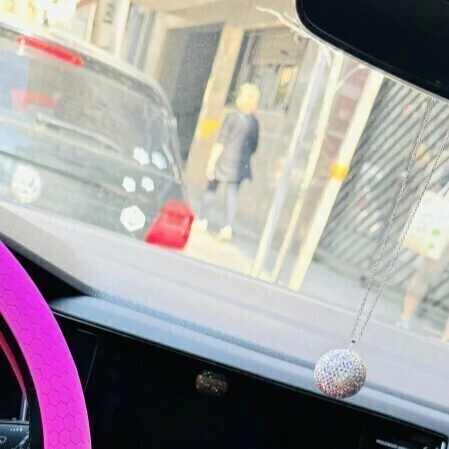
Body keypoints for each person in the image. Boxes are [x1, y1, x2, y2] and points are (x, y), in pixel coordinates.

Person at [397, 131, 449, 341]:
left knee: (424, 273)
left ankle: (407, 319)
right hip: (443, 225)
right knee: (425, 272)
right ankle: (406, 318)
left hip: (443, 223)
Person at [194, 83, 260, 241]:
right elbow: (254, 146)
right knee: (232, 195)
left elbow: (221, 142)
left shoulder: (232, 118)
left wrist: (211, 162)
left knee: (210, 190)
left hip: (224, 161)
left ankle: (202, 220)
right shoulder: (254, 123)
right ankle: (227, 228)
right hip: (241, 164)